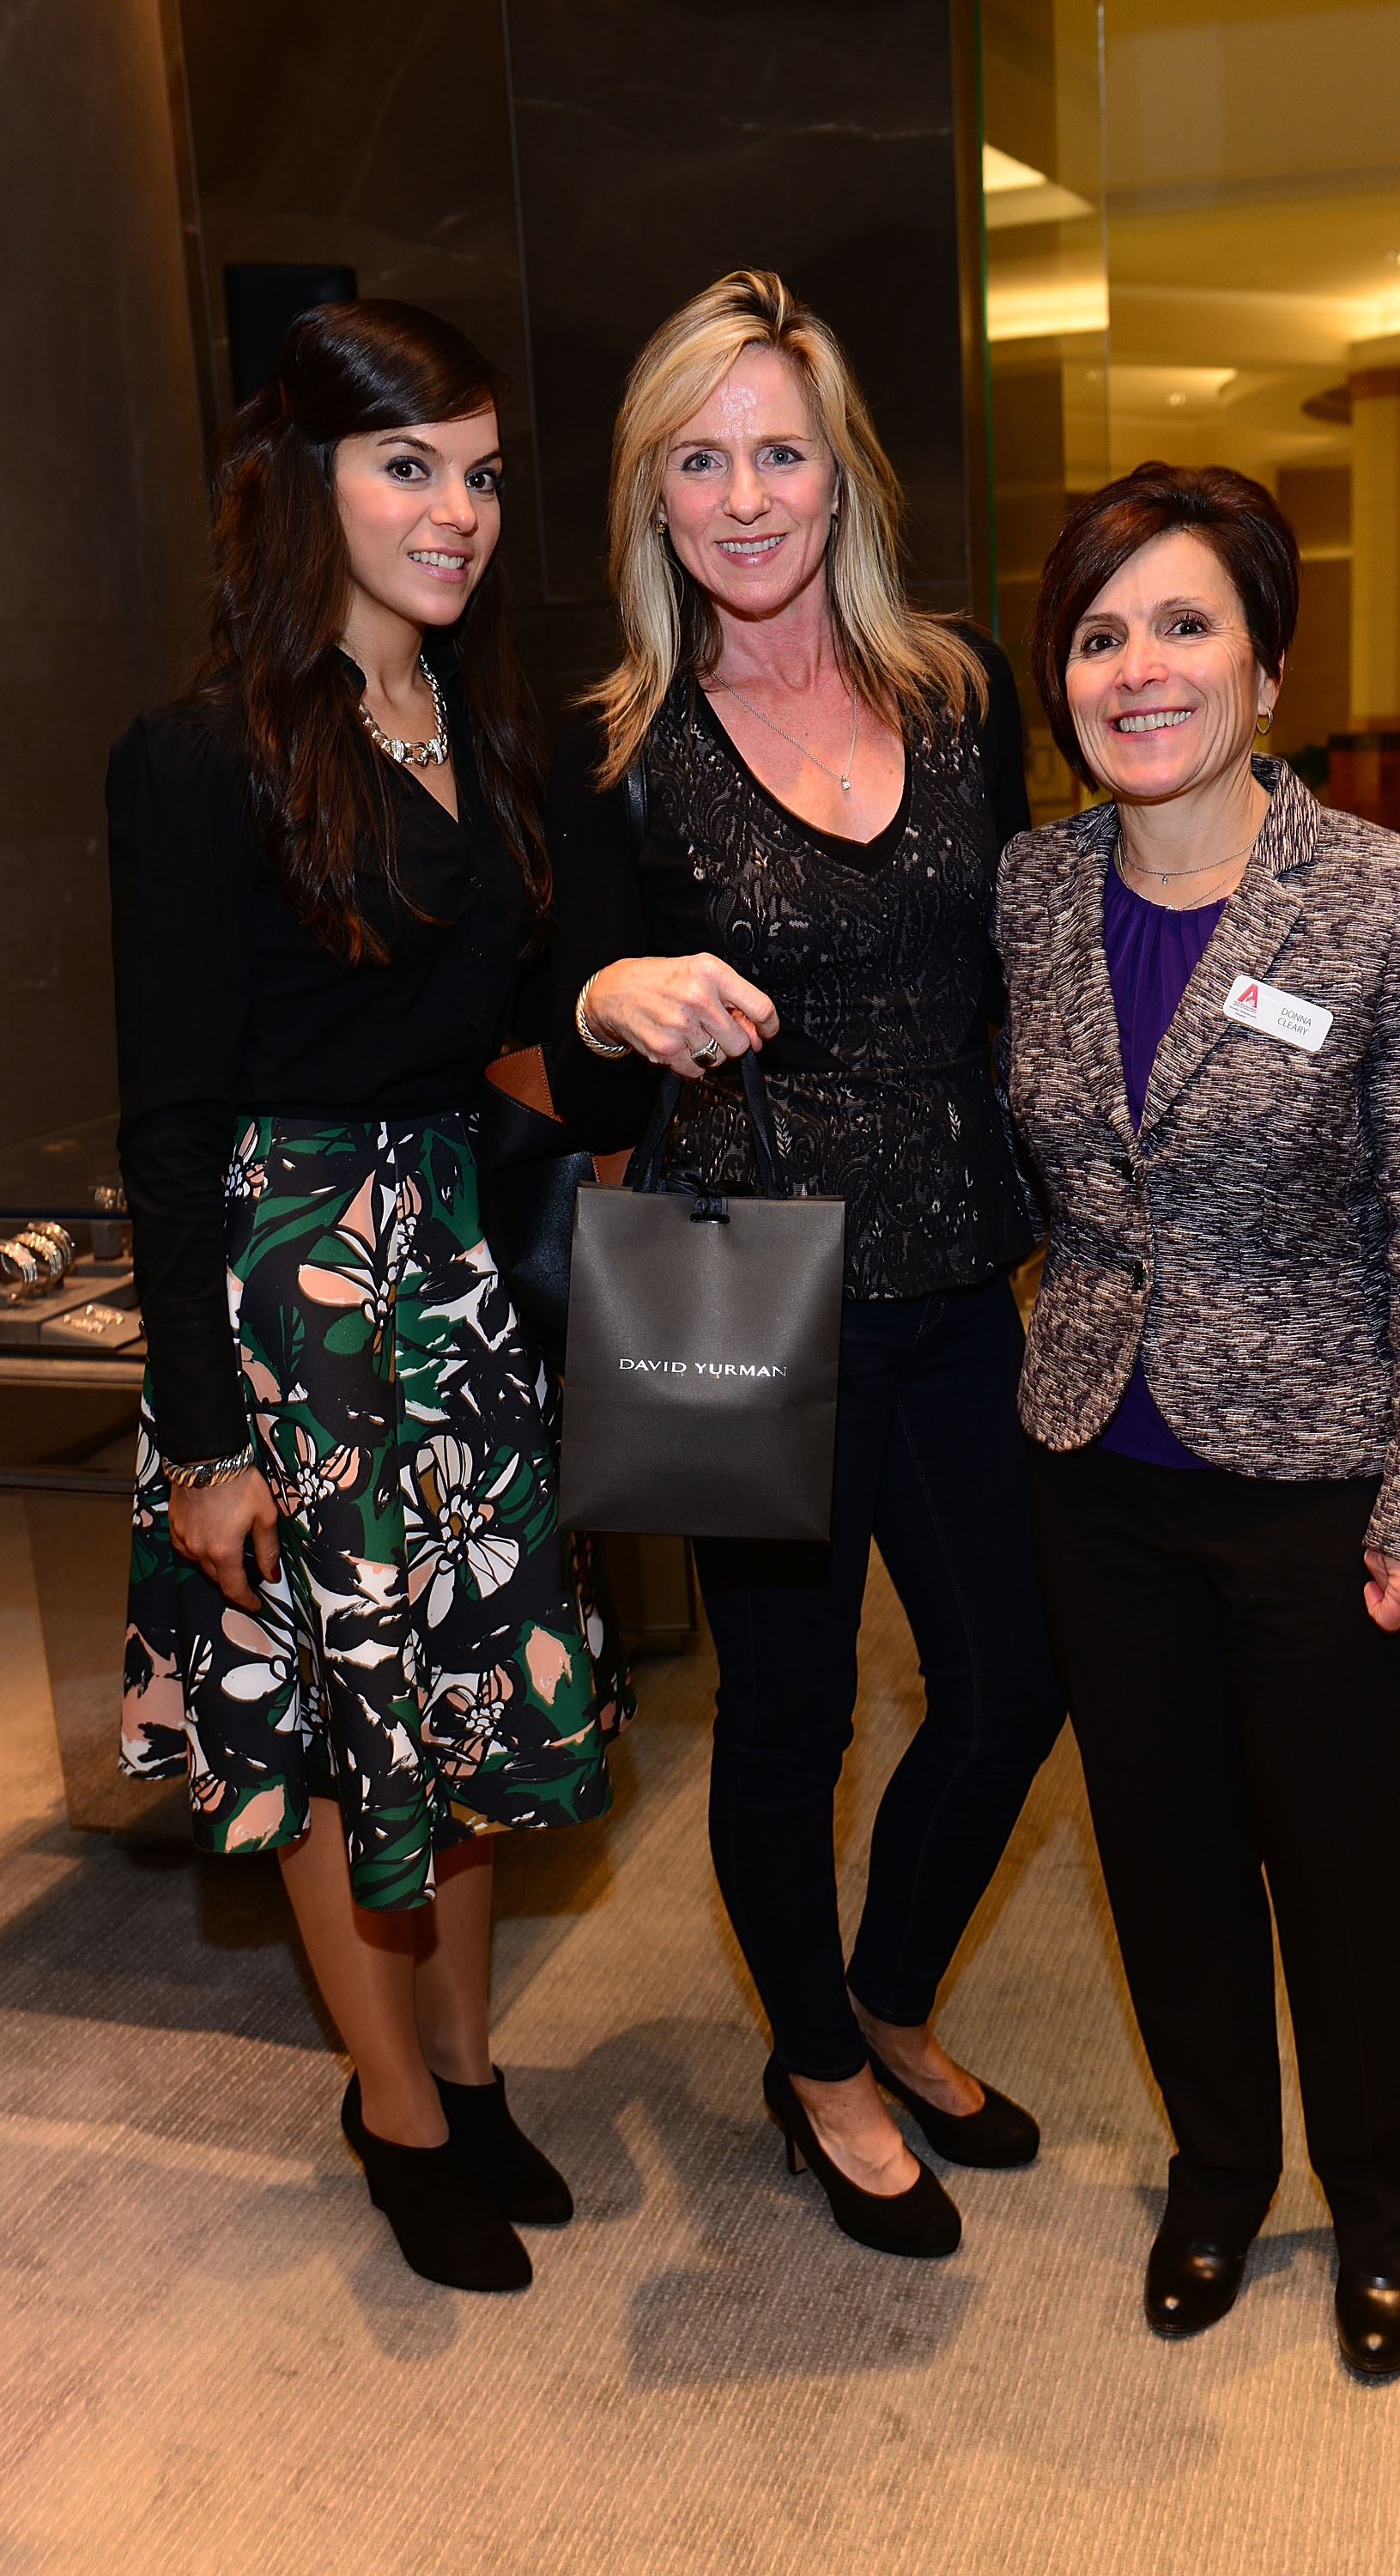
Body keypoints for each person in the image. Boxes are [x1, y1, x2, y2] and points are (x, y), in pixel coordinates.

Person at [110, 300, 631, 2295]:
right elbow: (168, 1123)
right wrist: (209, 1439)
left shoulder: (489, 739)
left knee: (482, 1699)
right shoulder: (194, 754)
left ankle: (474, 2071)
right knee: (343, 1734)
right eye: (408, 464)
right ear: (305, 478)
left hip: (454, 1275)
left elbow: (516, 1030)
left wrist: (612, 1000)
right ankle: (392, 2109)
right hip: (281, 1289)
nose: (458, 510)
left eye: (483, 473)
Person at [550, 270, 1065, 2258]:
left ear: (838, 475)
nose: (746, 495)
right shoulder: (617, 743)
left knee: (1010, 1687)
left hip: (953, 1279)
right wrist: (609, 990)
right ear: (652, 499)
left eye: (779, 449)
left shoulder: (950, 695)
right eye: (701, 457)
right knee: (784, 1721)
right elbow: (537, 1004)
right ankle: (818, 2068)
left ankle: (892, 1992)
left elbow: (1019, 964)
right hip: (732, 1293)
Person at [995, 462, 1400, 2378]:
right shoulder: (1031, 891)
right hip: (1093, 1472)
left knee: (1348, 1870)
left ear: (1264, 669)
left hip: (1321, 1485)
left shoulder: (1390, 902)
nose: (1137, 667)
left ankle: (1388, 2208)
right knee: (1165, 1853)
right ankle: (1217, 2176)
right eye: (1100, 632)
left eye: (1182, 622)